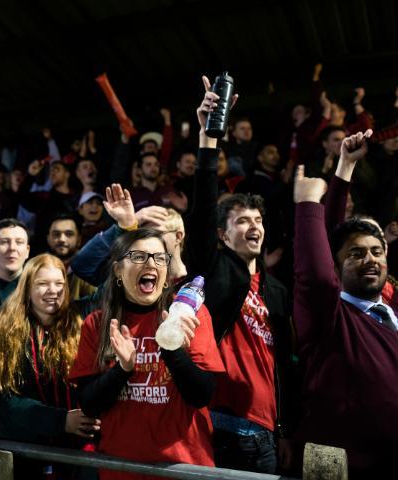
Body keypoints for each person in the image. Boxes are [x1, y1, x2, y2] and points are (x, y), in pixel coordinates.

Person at [188, 76, 294, 474]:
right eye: (241, 220)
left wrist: (285, 429)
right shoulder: (215, 269)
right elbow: (200, 212)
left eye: (258, 220)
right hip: (225, 425)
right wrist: (207, 138)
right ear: (221, 234)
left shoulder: (277, 290)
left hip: (268, 432)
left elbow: (284, 365)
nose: (254, 226)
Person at [70, 229, 224, 479]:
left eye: (159, 257)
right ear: (118, 270)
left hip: (184, 466)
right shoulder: (97, 324)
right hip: (122, 468)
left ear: (165, 274)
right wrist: (123, 369)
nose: (151, 263)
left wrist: (173, 350)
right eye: (139, 256)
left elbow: (202, 395)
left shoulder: (188, 313)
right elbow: (89, 404)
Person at [293, 131, 398, 477]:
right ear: (337, 265)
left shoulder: (391, 316)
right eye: (356, 254)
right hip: (339, 466)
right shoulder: (330, 317)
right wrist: (309, 205)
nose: (369, 259)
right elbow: (319, 275)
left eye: (377, 251)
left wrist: (346, 166)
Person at [0, 254, 99, 478]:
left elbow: (114, 284)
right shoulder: (6, 330)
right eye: (42, 284)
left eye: (59, 283)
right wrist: (61, 421)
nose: (53, 290)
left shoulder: (80, 319)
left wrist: (125, 226)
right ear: (27, 287)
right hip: (28, 453)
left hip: (79, 450)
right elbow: (4, 398)